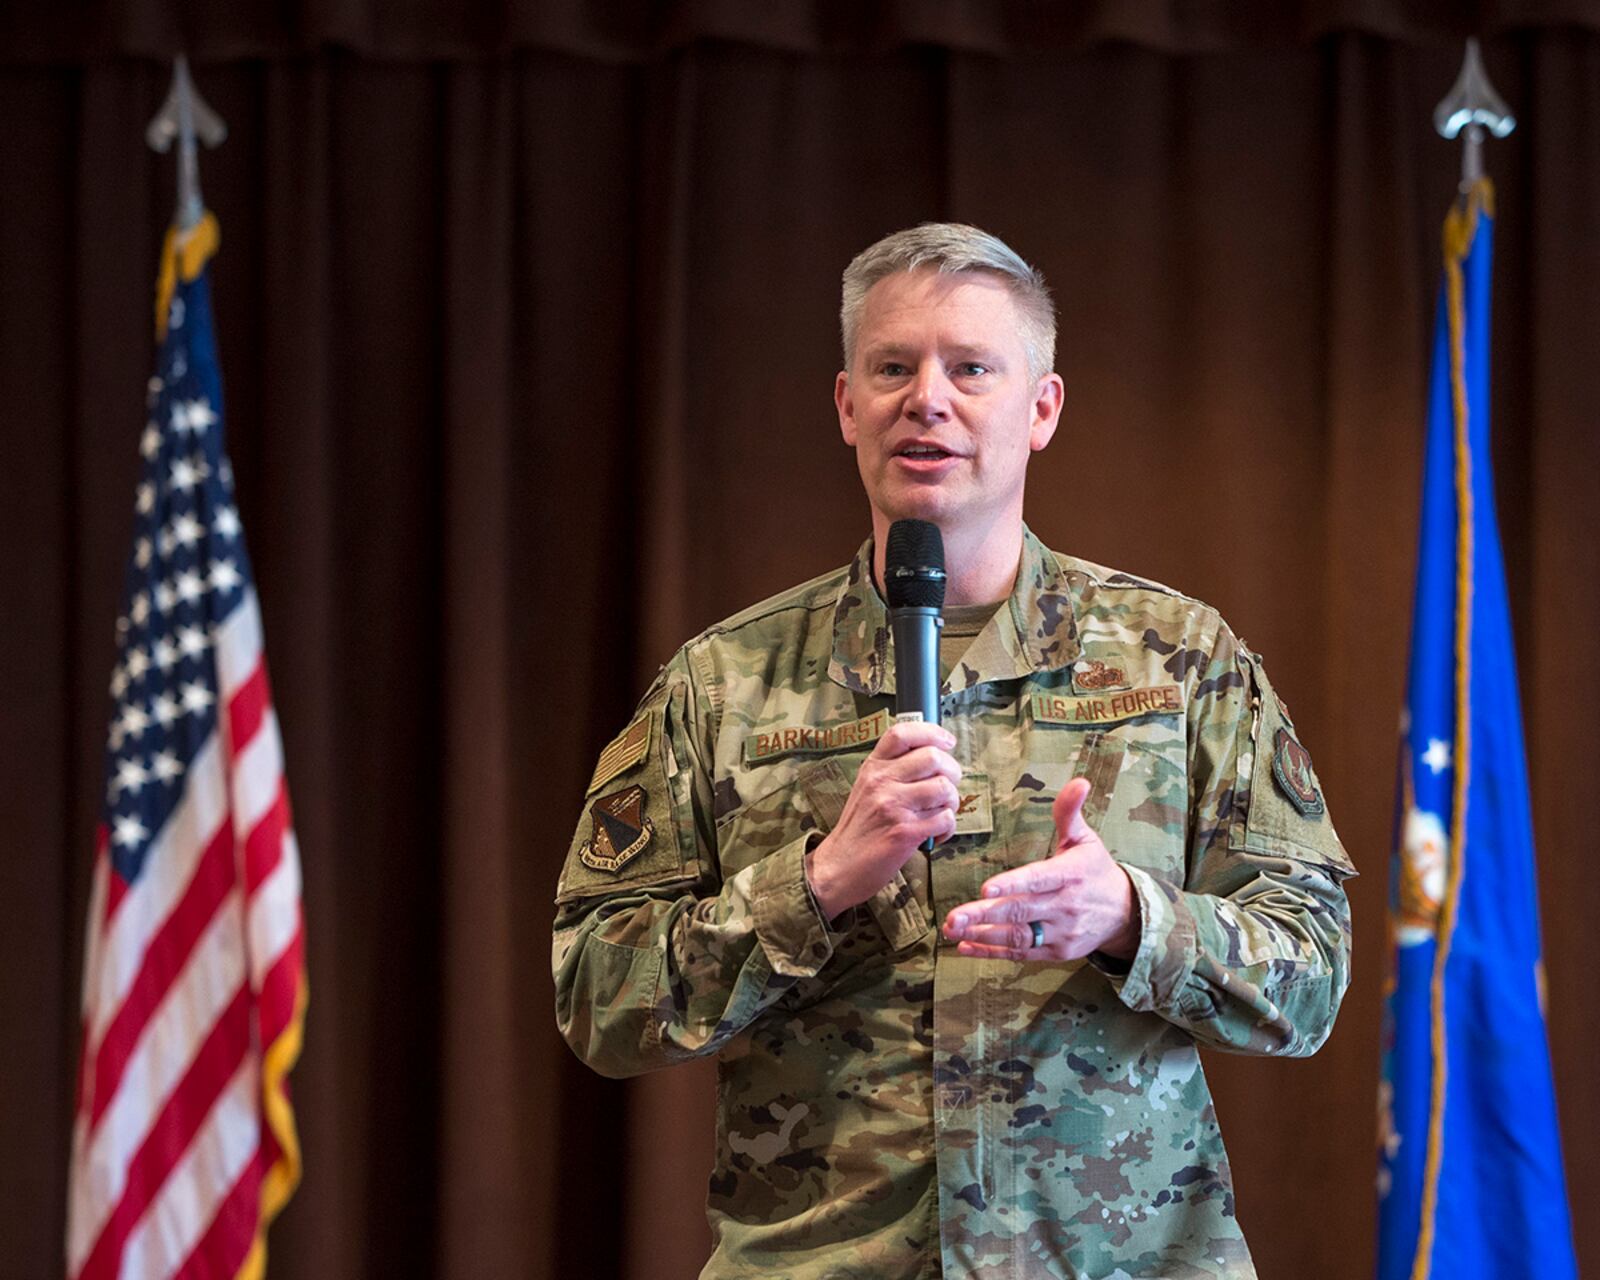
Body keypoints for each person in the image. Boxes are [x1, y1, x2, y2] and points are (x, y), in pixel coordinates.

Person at [552, 223, 1354, 1279]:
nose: (925, 397)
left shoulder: (1181, 658)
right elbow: (597, 994)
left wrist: (1129, 916)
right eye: (892, 366)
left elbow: (1313, 973)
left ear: (1040, 408)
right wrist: (817, 882)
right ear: (847, 405)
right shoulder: (724, 682)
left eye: (970, 367)